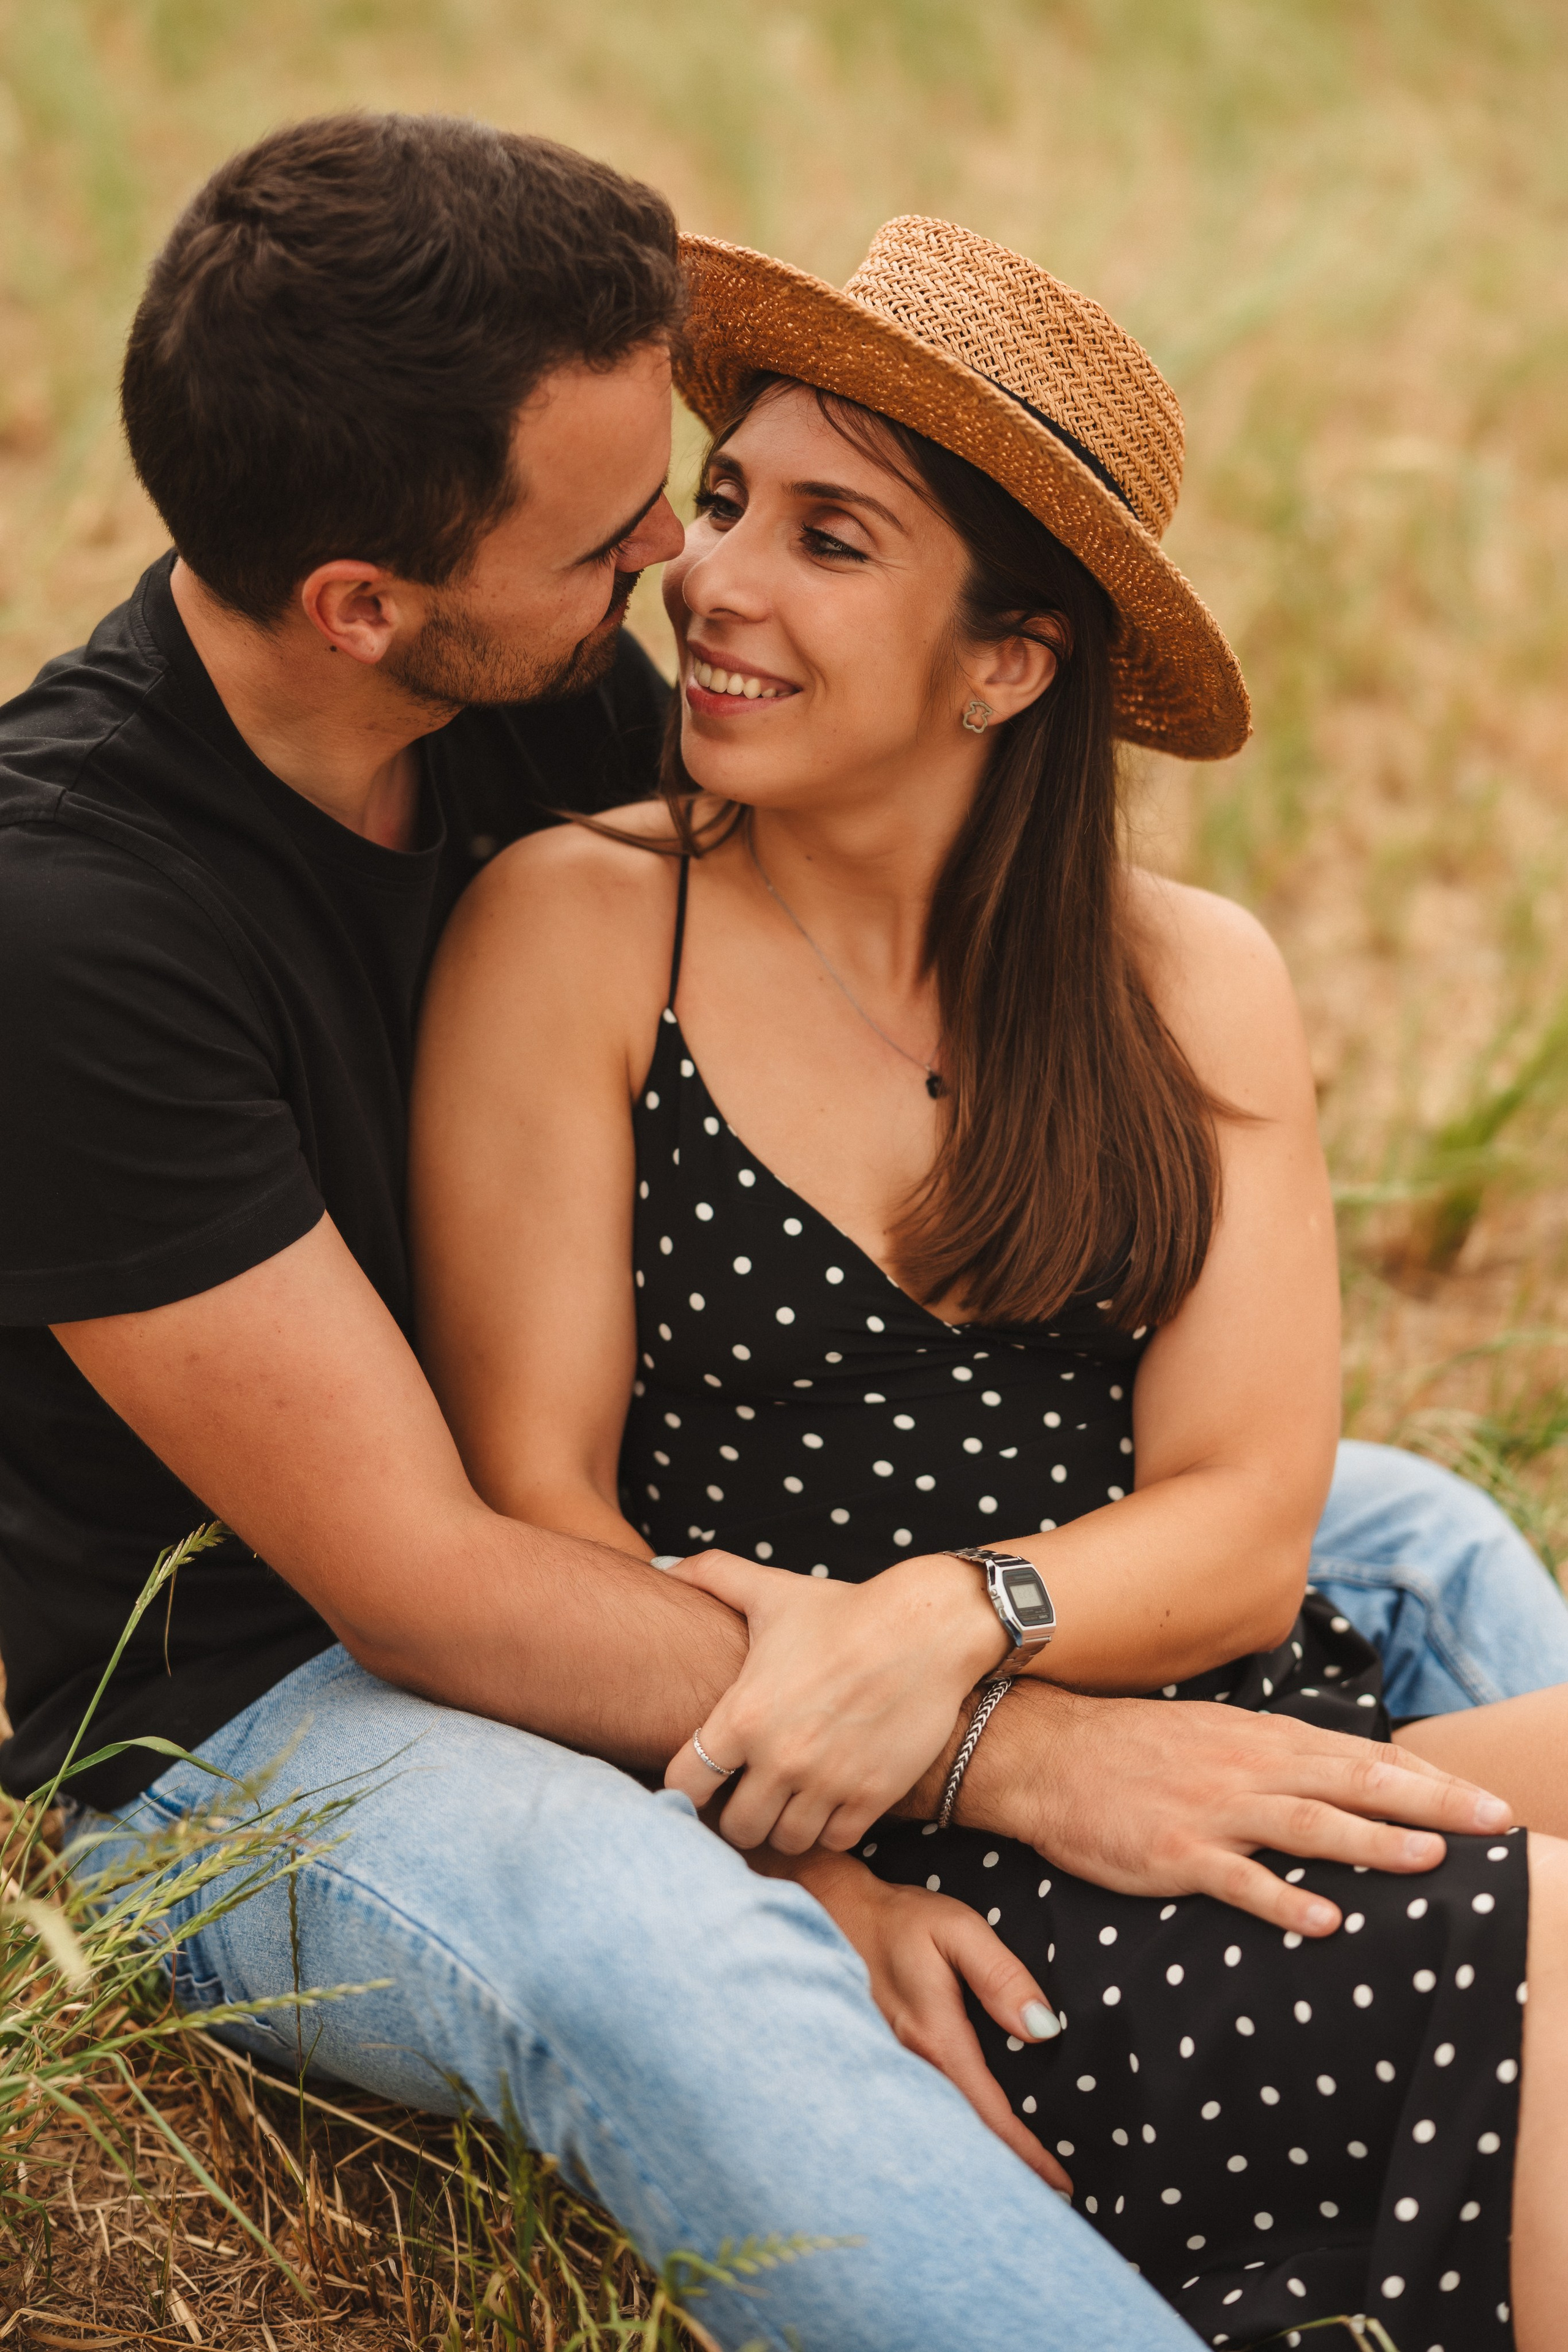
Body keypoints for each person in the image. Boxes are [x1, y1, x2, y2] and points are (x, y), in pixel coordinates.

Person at [0, 114, 1557, 2352]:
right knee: (661, 1940)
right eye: (629, 526)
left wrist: (967, 1621)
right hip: (271, 1694)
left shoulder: (541, 704)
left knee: (1402, 1534)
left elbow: (1221, 1465)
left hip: (720, 1577)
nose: (678, 567)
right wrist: (980, 1747)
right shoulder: (72, 925)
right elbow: (437, 1570)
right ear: (373, 601)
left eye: (715, 500)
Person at [408, 216, 1568, 2350]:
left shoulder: (1185, 978)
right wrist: (806, 1866)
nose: (715, 581)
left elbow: (1239, 1528)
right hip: (924, 1859)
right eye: (732, 498)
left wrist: (954, 1625)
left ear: (1009, 660)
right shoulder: (576, 934)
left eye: (830, 540)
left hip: (1202, 1748)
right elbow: (542, 1519)